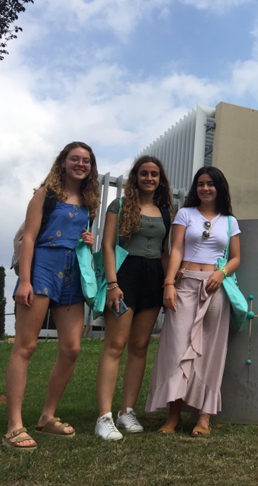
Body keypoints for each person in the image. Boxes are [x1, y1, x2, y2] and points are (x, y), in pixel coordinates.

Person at [3, 142, 99, 452]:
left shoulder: (89, 201)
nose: (80, 164)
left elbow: (80, 237)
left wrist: (89, 238)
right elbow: (29, 237)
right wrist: (25, 281)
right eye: (75, 158)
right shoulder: (45, 194)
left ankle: (46, 417)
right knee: (26, 345)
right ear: (63, 162)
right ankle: (14, 426)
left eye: (86, 160)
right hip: (42, 268)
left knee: (71, 348)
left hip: (72, 274)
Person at [146, 166, 240, 437]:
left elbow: (235, 258)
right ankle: (172, 417)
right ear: (195, 188)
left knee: (211, 351)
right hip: (184, 284)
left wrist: (221, 273)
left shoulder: (231, 221)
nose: (205, 188)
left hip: (215, 288)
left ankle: (204, 418)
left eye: (211, 184)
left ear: (219, 187)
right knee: (177, 349)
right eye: (201, 183)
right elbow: (175, 249)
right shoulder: (185, 214)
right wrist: (169, 283)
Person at [94, 156, 172, 441]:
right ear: (135, 177)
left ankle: (126, 411)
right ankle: (103, 417)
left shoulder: (165, 211)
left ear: (160, 178)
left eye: (154, 174)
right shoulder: (119, 205)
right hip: (125, 276)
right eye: (144, 173)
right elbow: (107, 245)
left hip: (153, 278)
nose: (149, 178)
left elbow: (166, 251)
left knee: (139, 347)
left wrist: (167, 283)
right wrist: (113, 284)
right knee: (115, 346)